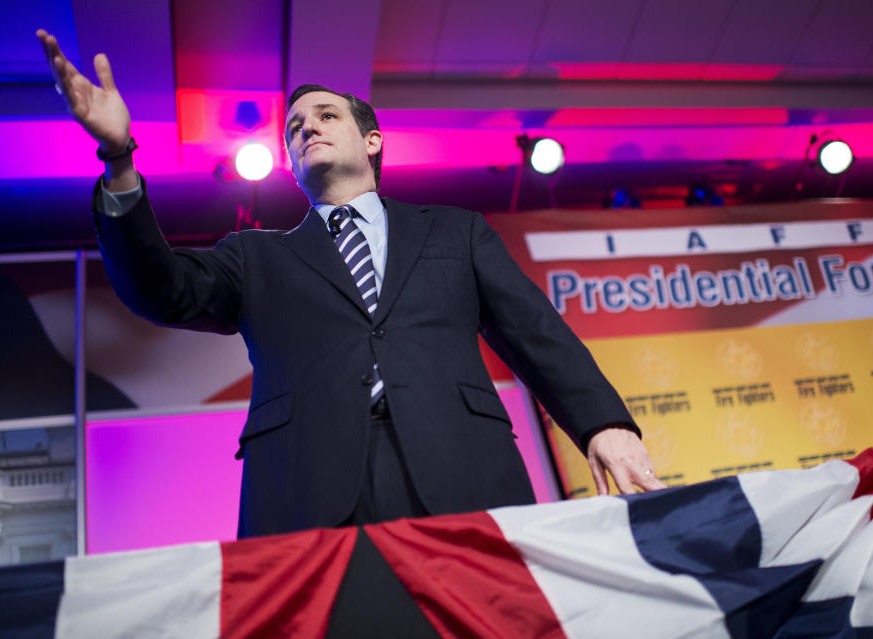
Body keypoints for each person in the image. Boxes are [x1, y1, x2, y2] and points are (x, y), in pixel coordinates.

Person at [37, 29, 667, 538]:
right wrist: (119, 159)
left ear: (372, 141)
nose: (306, 126)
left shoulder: (457, 232)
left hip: (465, 470)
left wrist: (601, 425)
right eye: (293, 127)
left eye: (325, 115)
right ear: (288, 164)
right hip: (306, 490)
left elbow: (536, 332)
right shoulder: (256, 256)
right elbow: (158, 287)